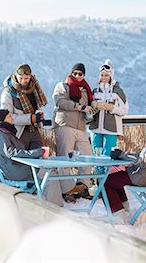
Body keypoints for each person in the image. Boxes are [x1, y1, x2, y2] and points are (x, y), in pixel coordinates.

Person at [0, 109, 75, 207]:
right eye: (9, 116)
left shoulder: (6, 132)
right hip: (16, 171)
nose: (12, 118)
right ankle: (56, 209)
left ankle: (62, 196)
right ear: (3, 119)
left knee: (52, 171)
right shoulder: (1, 133)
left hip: (19, 167)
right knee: (50, 174)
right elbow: (11, 152)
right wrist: (37, 152)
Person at [52, 63, 95, 196]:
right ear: (71, 73)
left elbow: (86, 109)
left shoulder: (85, 90)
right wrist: (81, 107)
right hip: (65, 124)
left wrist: (89, 115)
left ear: (83, 75)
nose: (77, 76)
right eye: (74, 73)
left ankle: (82, 186)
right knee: (65, 158)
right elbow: (60, 102)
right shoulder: (63, 86)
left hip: (80, 126)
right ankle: (65, 190)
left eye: (80, 74)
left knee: (88, 156)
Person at [1, 64, 48, 150]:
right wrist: (30, 118)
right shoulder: (9, 92)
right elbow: (7, 117)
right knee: (21, 161)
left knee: (39, 159)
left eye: (26, 78)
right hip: (18, 133)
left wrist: (39, 116)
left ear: (30, 77)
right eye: (21, 78)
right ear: (16, 76)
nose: (23, 81)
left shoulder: (35, 88)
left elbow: (39, 106)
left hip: (35, 130)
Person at [89, 59, 128, 157]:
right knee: (96, 155)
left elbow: (124, 110)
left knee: (108, 156)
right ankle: (97, 172)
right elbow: (89, 108)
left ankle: (107, 172)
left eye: (106, 75)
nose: (103, 77)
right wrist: (93, 106)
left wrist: (111, 107)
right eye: (102, 75)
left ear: (111, 76)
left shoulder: (118, 91)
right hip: (95, 128)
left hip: (111, 129)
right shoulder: (95, 91)